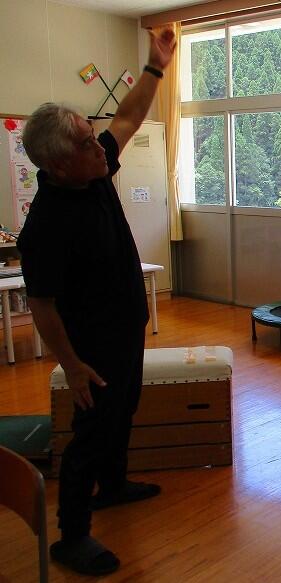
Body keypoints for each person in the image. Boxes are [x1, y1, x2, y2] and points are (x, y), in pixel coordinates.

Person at [16, 28, 177, 576]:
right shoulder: (46, 226)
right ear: (59, 165)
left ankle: (114, 485)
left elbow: (127, 118)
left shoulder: (94, 171)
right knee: (90, 433)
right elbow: (41, 305)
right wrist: (72, 364)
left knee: (123, 410)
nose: (100, 146)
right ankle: (72, 535)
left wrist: (154, 67)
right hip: (91, 345)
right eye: (87, 144)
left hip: (125, 327)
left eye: (92, 136)